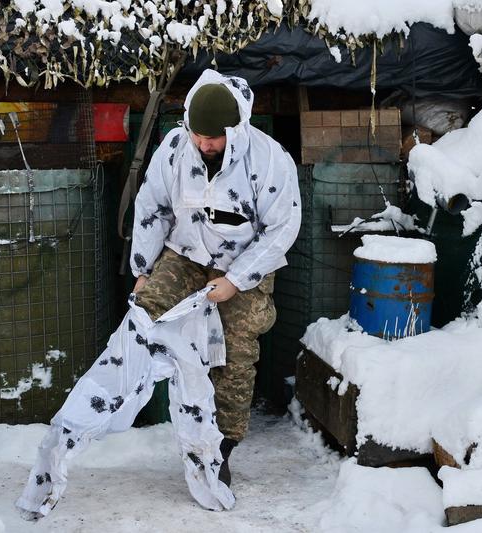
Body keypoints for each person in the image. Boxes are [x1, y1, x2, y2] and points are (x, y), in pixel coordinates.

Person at [130, 69, 302, 487]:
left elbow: (281, 229)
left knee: (236, 346)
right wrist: (143, 269)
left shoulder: (270, 159)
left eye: (214, 138)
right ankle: (119, 415)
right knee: (144, 316)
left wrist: (237, 280)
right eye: (197, 136)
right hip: (185, 252)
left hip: (243, 261)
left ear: (235, 129)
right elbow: (153, 209)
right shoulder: (174, 148)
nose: (204, 145)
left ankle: (219, 449)